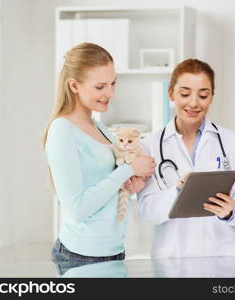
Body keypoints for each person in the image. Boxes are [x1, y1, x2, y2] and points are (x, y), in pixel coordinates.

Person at [43, 43, 155, 274]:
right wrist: (128, 169)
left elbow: (106, 186)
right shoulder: (62, 130)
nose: (110, 93)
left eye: (113, 83)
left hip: (113, 252)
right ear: (74, 85)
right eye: (100, 86)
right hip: (81, 256)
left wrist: (131, 185)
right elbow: (77, 209)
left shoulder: (100, 127)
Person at [137, 59, 235, 258]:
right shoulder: (150, 145)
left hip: (221, 256)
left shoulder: (231, 142)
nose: (193, 103)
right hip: (171, 257)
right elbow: (145, 210)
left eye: (203, 95)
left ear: (211, 97)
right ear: (171, 93)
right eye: (185, 94)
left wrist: (231, 211)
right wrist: (177, 191)